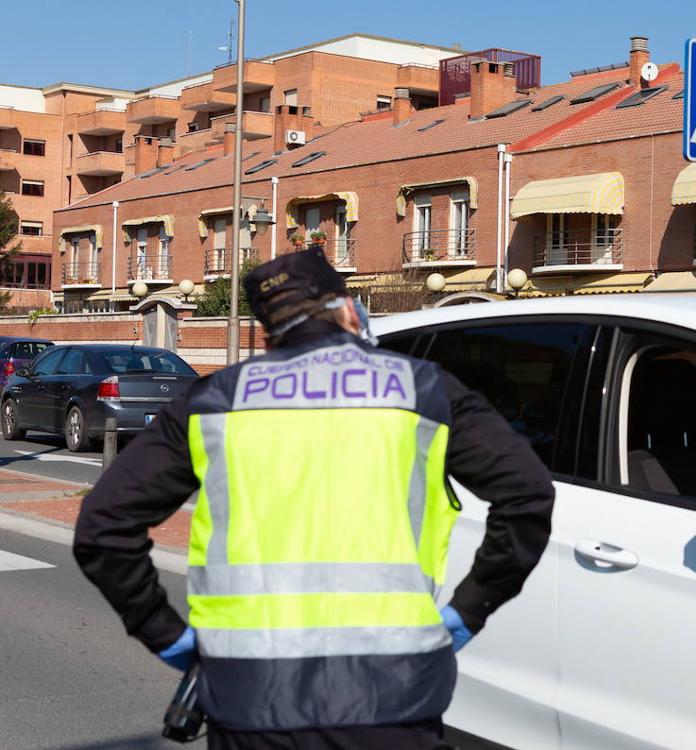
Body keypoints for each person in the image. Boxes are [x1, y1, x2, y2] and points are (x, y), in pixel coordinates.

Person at [74, 248, 555, 750]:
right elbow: (527, 495)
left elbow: (102, 527)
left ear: (267, 334)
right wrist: (468, 610)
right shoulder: (423, 390)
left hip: (248, 700)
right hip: (393, 698)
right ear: (350, 311)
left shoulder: (213, 401)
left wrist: (166, 634)